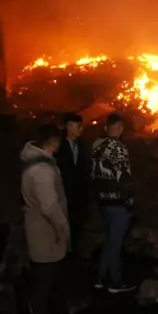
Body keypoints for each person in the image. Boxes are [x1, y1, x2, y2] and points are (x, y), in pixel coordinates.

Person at [20, 124, 70, 314]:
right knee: (43, 277)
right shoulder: (42, 171)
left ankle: (43, 311)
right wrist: (63, 228)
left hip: (42, 231)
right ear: (53, 142)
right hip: (45, 233)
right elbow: (49, 207)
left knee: (46, 276)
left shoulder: (39, 164)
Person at [91, 113, 136, 293]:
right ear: (119, 128)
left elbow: (93, 174)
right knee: (116, 242)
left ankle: (100, 277)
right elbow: (124, 177)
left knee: (109, 239)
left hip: (102, 200)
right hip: (117, 201)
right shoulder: (118, 147)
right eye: (120, 127)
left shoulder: (96, 145)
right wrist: (129, 200)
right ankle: (115, 281)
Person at [55, 113, 88, 256]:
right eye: (78, 126)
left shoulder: (82, 145)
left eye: (81, 126)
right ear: (68, 126)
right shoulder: (57, 145)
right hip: (61, 194)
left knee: (75, 228)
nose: (81, 129)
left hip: (77, 196)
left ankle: (73, 254)